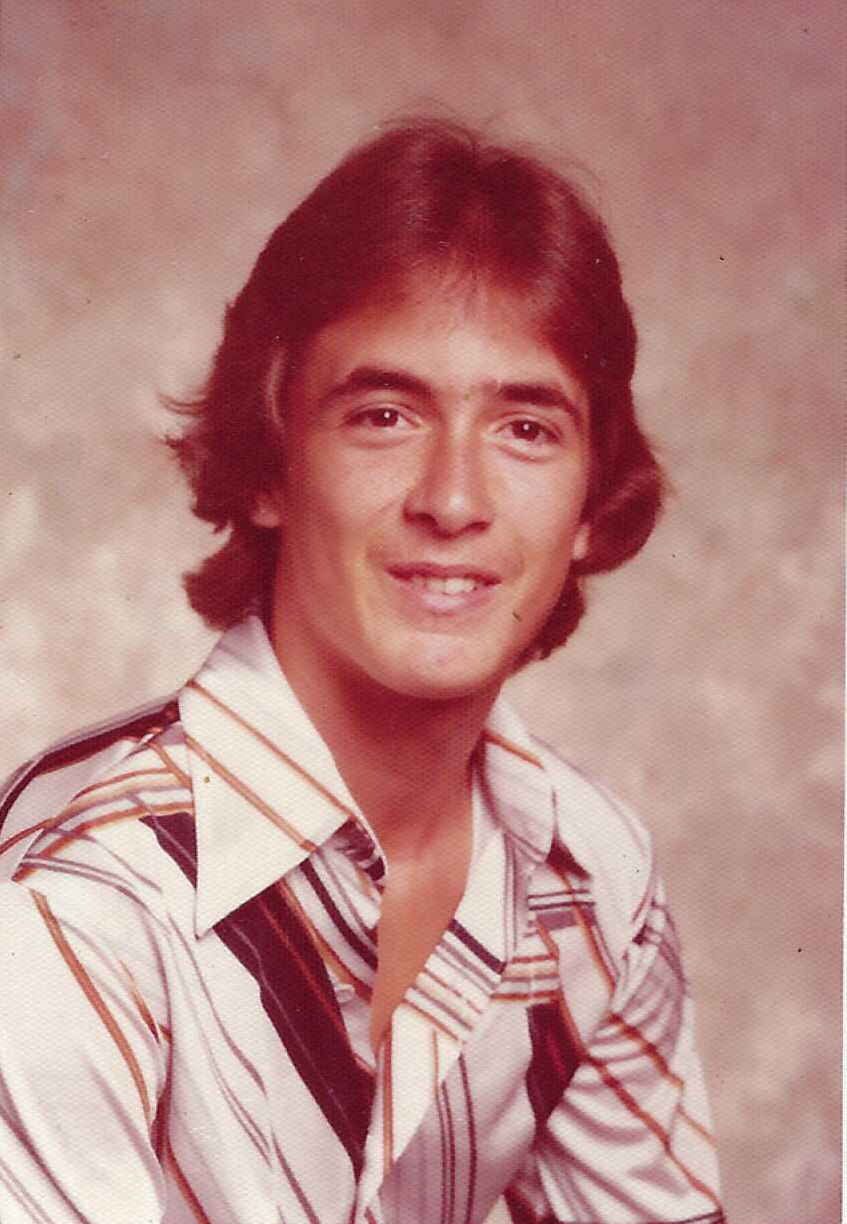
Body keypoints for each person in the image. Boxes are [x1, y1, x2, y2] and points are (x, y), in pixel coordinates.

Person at [0, 119, 723, 1224]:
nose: (453, 499)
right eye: (384, 416)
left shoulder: (591, 875)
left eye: (527, 429)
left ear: (590, 502)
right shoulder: (81, 898)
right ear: (269, 467)